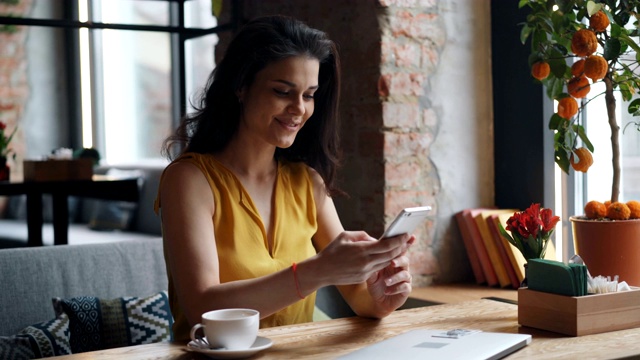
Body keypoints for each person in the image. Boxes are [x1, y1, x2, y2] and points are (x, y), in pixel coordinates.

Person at [155, 15, 415, 341]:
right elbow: (202, 309)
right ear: (241, 86)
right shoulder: (189, 180)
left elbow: (361, 299)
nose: (299, 108)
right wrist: (317, 271)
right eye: (282, 91)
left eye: (309, 95)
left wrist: (384, 297)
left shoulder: (308, 182)